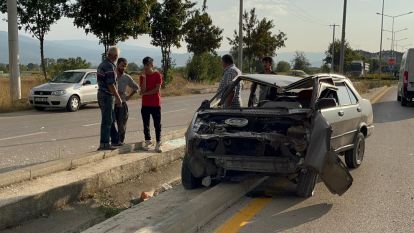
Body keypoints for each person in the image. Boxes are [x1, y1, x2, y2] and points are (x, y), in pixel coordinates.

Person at [97, 47, 123, 150]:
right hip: (107, 95)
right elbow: (111, 84)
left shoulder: (103, 64)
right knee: (107, 121)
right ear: (115, 56)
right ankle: (104, 143)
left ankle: (115, 140)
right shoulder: (109, 66)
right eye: (117, 56)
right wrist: (118, 97)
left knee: (111, 119)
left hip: (102, 94)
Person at [139, 57, 163, 153]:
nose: (147, 67)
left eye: (149, 65)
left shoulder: (157, 75)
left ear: (152, 65)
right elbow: (143, 89)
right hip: (145, 104)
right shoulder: (142, 76)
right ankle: (148, 141)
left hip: (155, 104)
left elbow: (156, 90)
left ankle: (158, 143)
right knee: (146, 124)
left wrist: (144, 93)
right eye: (145, 65)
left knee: (157, 124)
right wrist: (144, 78)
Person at [115, 58, 140, 144]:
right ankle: (113, 140)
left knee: (122, 124)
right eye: (122, 65)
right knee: (110, 123)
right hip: (112, 103)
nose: (123, 68)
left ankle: (120, 141)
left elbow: (136, 88)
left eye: (125, 66)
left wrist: (129, 96)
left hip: (122, 104)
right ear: (117, 64)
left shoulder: (126, 77)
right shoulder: (112, 76)